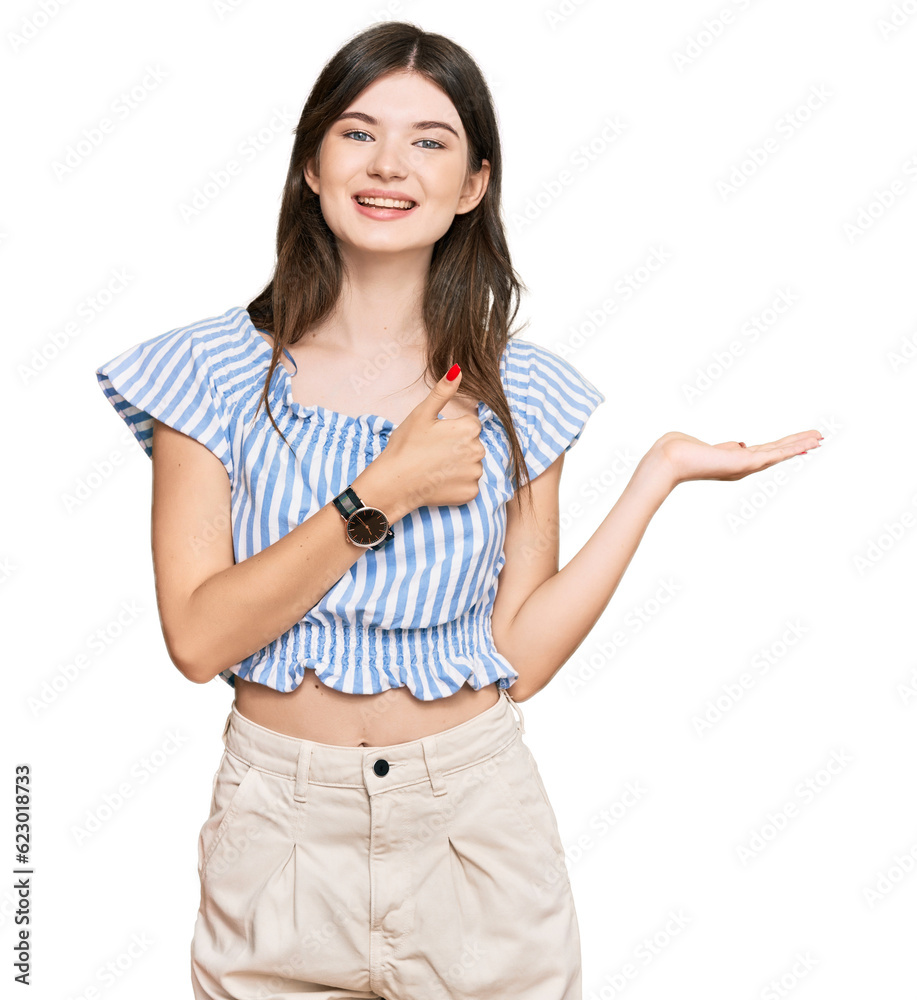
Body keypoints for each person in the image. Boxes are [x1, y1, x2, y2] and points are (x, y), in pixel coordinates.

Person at [93, 20, 822, 1000]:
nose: (388, 163)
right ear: (311, 162)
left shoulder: (521, 390)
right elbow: (196, 635)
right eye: (357, 132)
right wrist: (380, 492)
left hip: (474, 821)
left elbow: (517, 659)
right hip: (278, 835)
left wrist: (654, 477)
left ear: (474, 182)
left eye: (429, 140)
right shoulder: (204, 372)